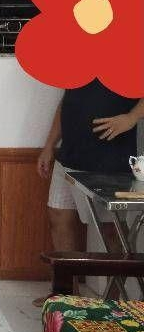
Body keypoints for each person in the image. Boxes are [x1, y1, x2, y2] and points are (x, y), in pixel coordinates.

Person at [38, 78, 144, 252]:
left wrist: (132, 118)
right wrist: (49, 145)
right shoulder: (79, 65)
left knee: (111, 229)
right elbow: (68, 101)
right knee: (58, 215)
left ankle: (120, 271)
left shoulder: (132, 61)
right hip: (69, 154)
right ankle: (67, 270)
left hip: (110, 158)